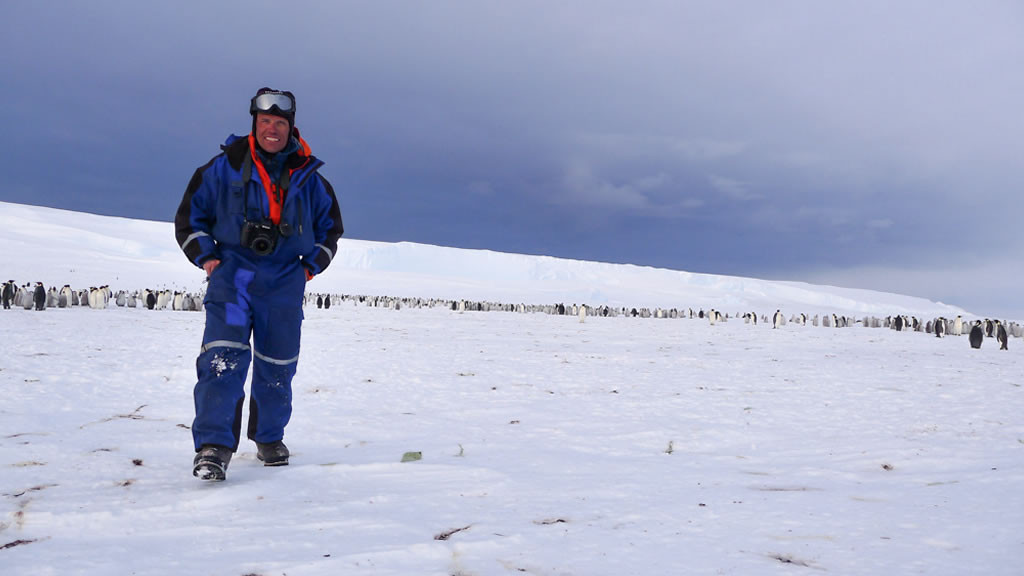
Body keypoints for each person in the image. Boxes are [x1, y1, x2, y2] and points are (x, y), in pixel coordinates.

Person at [175, 88, 344, 481]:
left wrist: (309, 268)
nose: (272, 129)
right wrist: (208, 257)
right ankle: (214, 447)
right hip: (234, 276)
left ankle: (269, 437)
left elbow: (330, 230)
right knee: (222, 360)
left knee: (278, 365)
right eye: (265, 121)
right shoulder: (223, 167)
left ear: (291, 128)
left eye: (280, 123)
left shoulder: (311, 179)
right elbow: (190, 218)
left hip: (285, 280)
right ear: (255, 124)